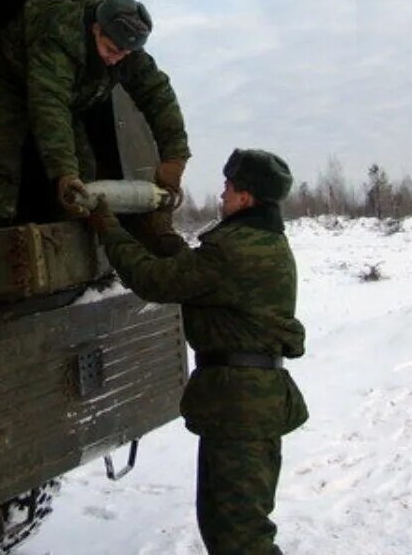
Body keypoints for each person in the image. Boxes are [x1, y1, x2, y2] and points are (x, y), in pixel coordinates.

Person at [88, 148, 308, 555]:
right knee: (226, 529)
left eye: (229, 187)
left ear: (246, 198)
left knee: (241, 536)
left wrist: (108, 227)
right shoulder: (258, 241)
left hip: (242, 407)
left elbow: (157, 281)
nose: (222, 194)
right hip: (243, 402)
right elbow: (199, 278)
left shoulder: (236, 249)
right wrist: (165, 237)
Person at [0, 0, 190, 225]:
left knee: (84, 169)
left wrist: (175, 158)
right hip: (9, 80)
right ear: (96, 29)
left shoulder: (124, 49)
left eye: (124, 54)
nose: (115, 60)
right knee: (3, 152)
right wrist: (64, 172)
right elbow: (49, 107)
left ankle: (70, 228)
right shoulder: (59, 35)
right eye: (111, 50)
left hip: (63, 92)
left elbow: (158, 96)